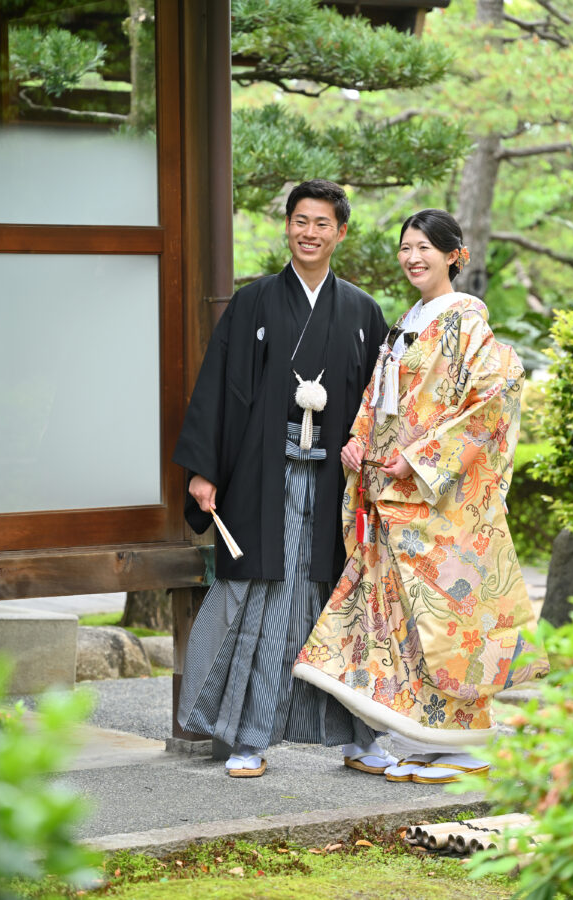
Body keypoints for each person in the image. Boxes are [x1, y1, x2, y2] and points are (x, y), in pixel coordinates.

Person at [293, 208, 549, 784]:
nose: (413, 258)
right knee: (408, 620)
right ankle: (433, 737)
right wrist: (359, 442)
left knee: (448, 618)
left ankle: (468, 743)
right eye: (406, 248)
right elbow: (378, 399)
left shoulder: (465, 322)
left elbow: (498, 392)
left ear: (454, 255)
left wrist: (423, 454)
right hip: (390, 491)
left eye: (425, 249)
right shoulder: (408, 321)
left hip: (440, 501)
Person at [172, 179, 392, 777]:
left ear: (340, 232)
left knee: (336, 599)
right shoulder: (255, 302)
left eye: (322, 223)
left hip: (335, 490)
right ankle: (249, 736)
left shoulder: (363, 312)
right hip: (260, 481)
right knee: (262, 599)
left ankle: (358, 736)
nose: (309, 232)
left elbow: (382, 405)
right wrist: (204, 470)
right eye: (300, 220)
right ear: (287, 226)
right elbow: (220, 388)